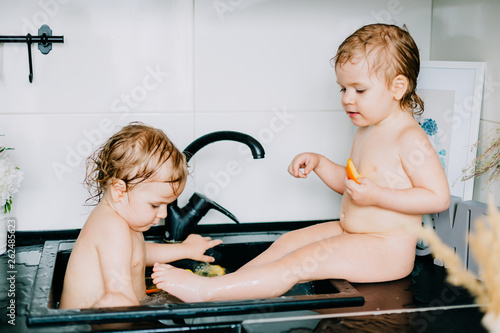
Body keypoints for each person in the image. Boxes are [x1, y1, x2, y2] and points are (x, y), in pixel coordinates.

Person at [151, 23, 450, 302]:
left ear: (397, 88)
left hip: (384, 250)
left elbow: (437, 197)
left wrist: (377, 195)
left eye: (359, 90)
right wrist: (321, 164)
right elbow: (352, 187)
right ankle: (233, 284)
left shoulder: (409, 137)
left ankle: (207, 291)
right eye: (343, 89)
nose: (347, 99)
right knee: (287, 243)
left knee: (297, 264)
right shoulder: (367, 129)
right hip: (356, 234)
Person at [59, 122, 222, 309]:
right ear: (119, 191)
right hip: (84, 327)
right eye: (155, 205)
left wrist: (185, 250)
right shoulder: (112, 227)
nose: (162, 214)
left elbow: (138, 254)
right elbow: (120, 299)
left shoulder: (123, 219)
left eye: (166, 205)